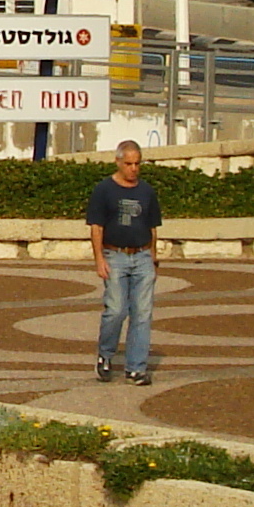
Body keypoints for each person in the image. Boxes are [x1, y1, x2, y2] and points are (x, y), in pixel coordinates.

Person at [84, 139, 162, 386]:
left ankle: (136, 368)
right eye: (128, 163)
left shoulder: (146, 191)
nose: (133, 169)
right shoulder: (104, 189)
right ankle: (105, 355)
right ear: (118, 162)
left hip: (141, 256)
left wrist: (153, 255)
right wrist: (99, 259)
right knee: (116, 310)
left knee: (142, 313)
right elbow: (96, 227)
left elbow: (152, 226)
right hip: (114, 255)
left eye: (137, 164)